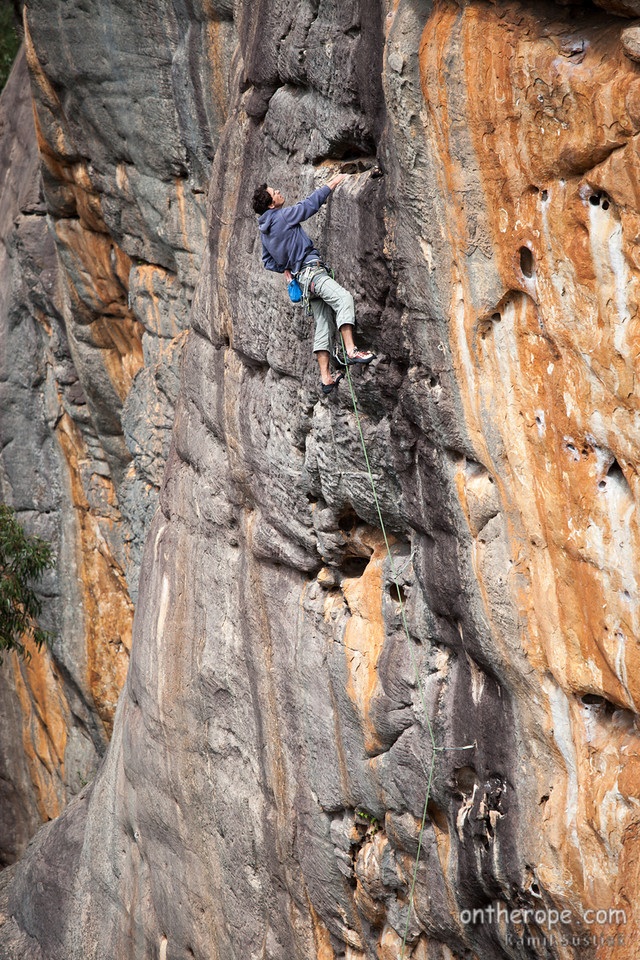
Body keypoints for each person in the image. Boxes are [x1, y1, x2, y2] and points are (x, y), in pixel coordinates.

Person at [252, 175, 375, 394]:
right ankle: (351, 350)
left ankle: (326, 377)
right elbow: (308, 206)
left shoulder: (265, 232)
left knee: (323, 322)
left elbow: (267, 261)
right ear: (271, 204)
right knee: (343, 298)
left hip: (303, 282)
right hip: (313, 273)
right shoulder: (281, 216)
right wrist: (332, 184)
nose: (279, 191)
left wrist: (286, 269)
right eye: (275, 192)